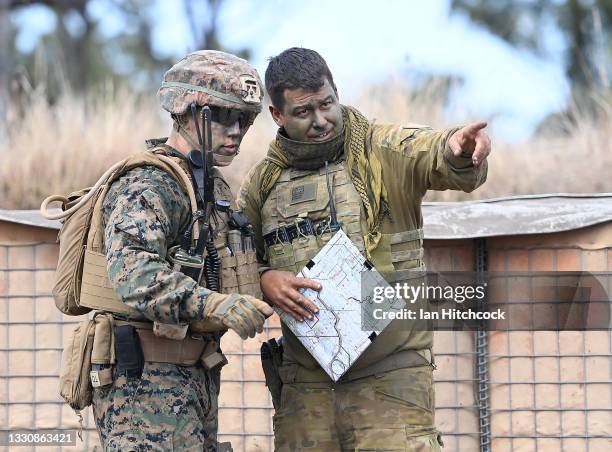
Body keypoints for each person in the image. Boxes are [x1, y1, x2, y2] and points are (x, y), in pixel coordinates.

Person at [238, 47, 491, 451]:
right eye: (304, 112)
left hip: (391, 380)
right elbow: (234, 263)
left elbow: (434, 154)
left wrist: (458, 151)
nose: (321, 121)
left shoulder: (382, 150)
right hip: (307, 387)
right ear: (277, 116)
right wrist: (265, 280)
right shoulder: (262, 185)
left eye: (327, 104)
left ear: (336, 92)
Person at [91, 50, 273, 451]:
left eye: (245, 118)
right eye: (224, 116)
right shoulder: (150, 183)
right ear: (187, 112)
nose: (237, 131)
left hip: (193, 377)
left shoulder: (210, 186)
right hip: (144, 387)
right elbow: (134, 274)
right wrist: (215, 305)